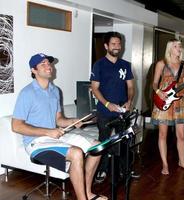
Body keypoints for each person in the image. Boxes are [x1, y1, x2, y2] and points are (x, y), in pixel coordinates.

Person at [11, 53, 107, 200]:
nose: (48, 66)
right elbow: (16, 126)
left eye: (49, 63)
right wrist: (48, 132)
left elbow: (59, 120)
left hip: (56, 136)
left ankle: (87, 193)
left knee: (97, 147)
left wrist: (74, 121)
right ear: (33, 70)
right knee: (76, 153)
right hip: (36, 142)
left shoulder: (55, 91)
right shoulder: (27, 93)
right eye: (42, 63)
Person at [90, 31, 135, 182]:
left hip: (122, 111)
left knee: (124, 140)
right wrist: (108, 104)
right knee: (103, 141)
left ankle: (125, 170)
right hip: (104, 111)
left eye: (119, 44)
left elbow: (130, 87)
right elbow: (95, 88)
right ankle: (102, 170)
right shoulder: (99, 65)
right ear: (106, 46)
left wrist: (129, 101)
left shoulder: (126, 65)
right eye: (113, 44)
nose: (117, 47)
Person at [151, 39, 184, 175]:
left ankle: (182, 162)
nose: (179, 48)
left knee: (181, 136)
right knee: (162, 135)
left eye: (180, 46)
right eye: (176, 46)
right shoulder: (161, 64)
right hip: (164, 99)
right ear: (170, 49)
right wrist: (159, 92)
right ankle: (165, 165)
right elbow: (154, 83)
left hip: (180, 101)